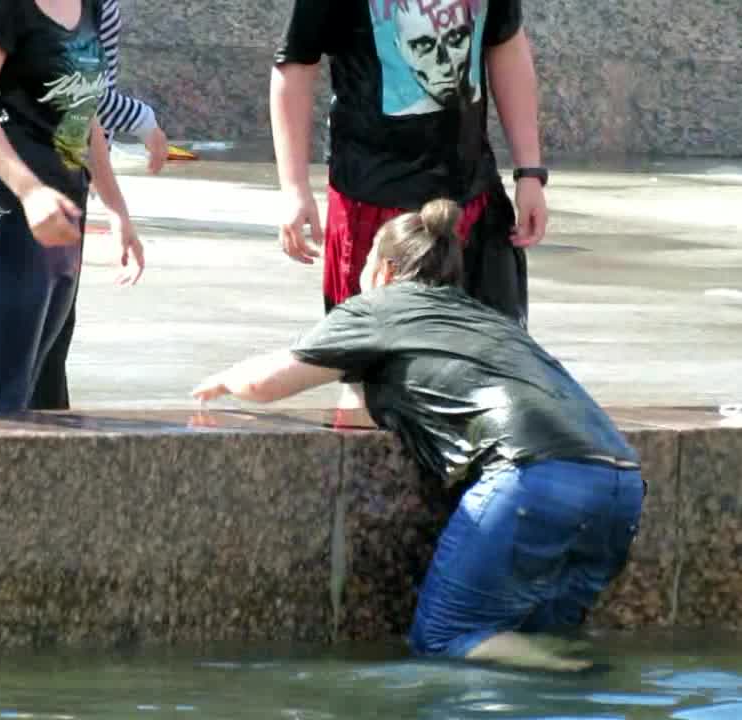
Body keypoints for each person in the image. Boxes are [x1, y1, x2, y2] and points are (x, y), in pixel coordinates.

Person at [192, 199, 644, 672]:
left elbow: (267, 383)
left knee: (446, 640)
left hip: (534, 477)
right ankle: (583, 680)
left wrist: (226, 379)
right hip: (620, 481)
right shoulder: (486, 317)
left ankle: (580, 673)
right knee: (539, 635)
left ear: (384, 270)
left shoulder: (379, 308)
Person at [0, 0, 162, 410]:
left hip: (61, 216)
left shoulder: (88, 7)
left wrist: (116, 209)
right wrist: (30, 191)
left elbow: (84, 115)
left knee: (33, 390)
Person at [271, 0, 547, 326]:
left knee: (491, 346)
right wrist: (294, 189)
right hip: (371, 204)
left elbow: (505, 41)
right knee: (372, 347)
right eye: (424, 46)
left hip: (472, 198)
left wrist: (530, 172)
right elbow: (296, 62)